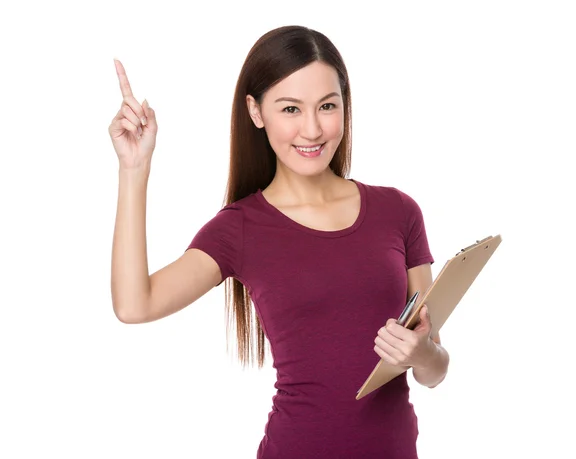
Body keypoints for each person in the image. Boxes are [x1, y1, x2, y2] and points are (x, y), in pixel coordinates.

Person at [109, 25, 450, 459]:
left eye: (327, 106)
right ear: (256, 111)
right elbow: (134, 305)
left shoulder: (399, 212)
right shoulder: (241, 228)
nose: (311, 129)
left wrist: (422, 354)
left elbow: (435, 371)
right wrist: (134, 171)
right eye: (290, 109)